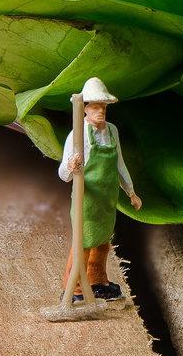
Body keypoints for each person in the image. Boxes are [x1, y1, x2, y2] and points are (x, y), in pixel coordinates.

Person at [58, 77, 141, 301]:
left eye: (103, 107)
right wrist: (71, 166)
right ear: (85, 108)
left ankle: (97, 282)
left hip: (107, 198)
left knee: (102, 241)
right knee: (83, 243)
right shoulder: (77, 135)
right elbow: (63, 175)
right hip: (87, 198)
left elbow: (119, 163)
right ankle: (73, 290)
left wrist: (130, 192)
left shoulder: (112, 131)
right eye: (95, 107)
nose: (100, 112)